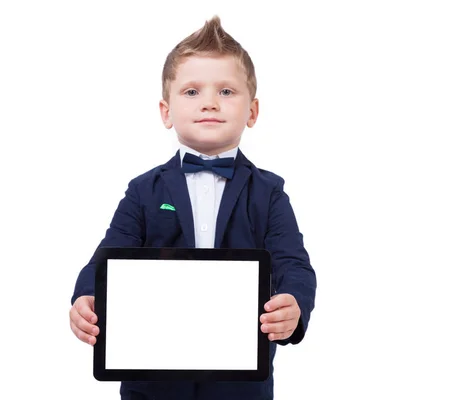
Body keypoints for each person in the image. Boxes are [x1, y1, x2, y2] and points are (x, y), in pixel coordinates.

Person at [68, 15, 317, 400]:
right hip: (151, 381)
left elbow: (294, 265)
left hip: (240, 385)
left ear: (252, 112)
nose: (210, 104)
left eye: (226, 92)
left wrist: (295, 305)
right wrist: (86, 296)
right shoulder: (142, 191)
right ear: (166, 111)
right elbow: (107, 257)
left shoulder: (270, 193)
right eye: (191, 92)